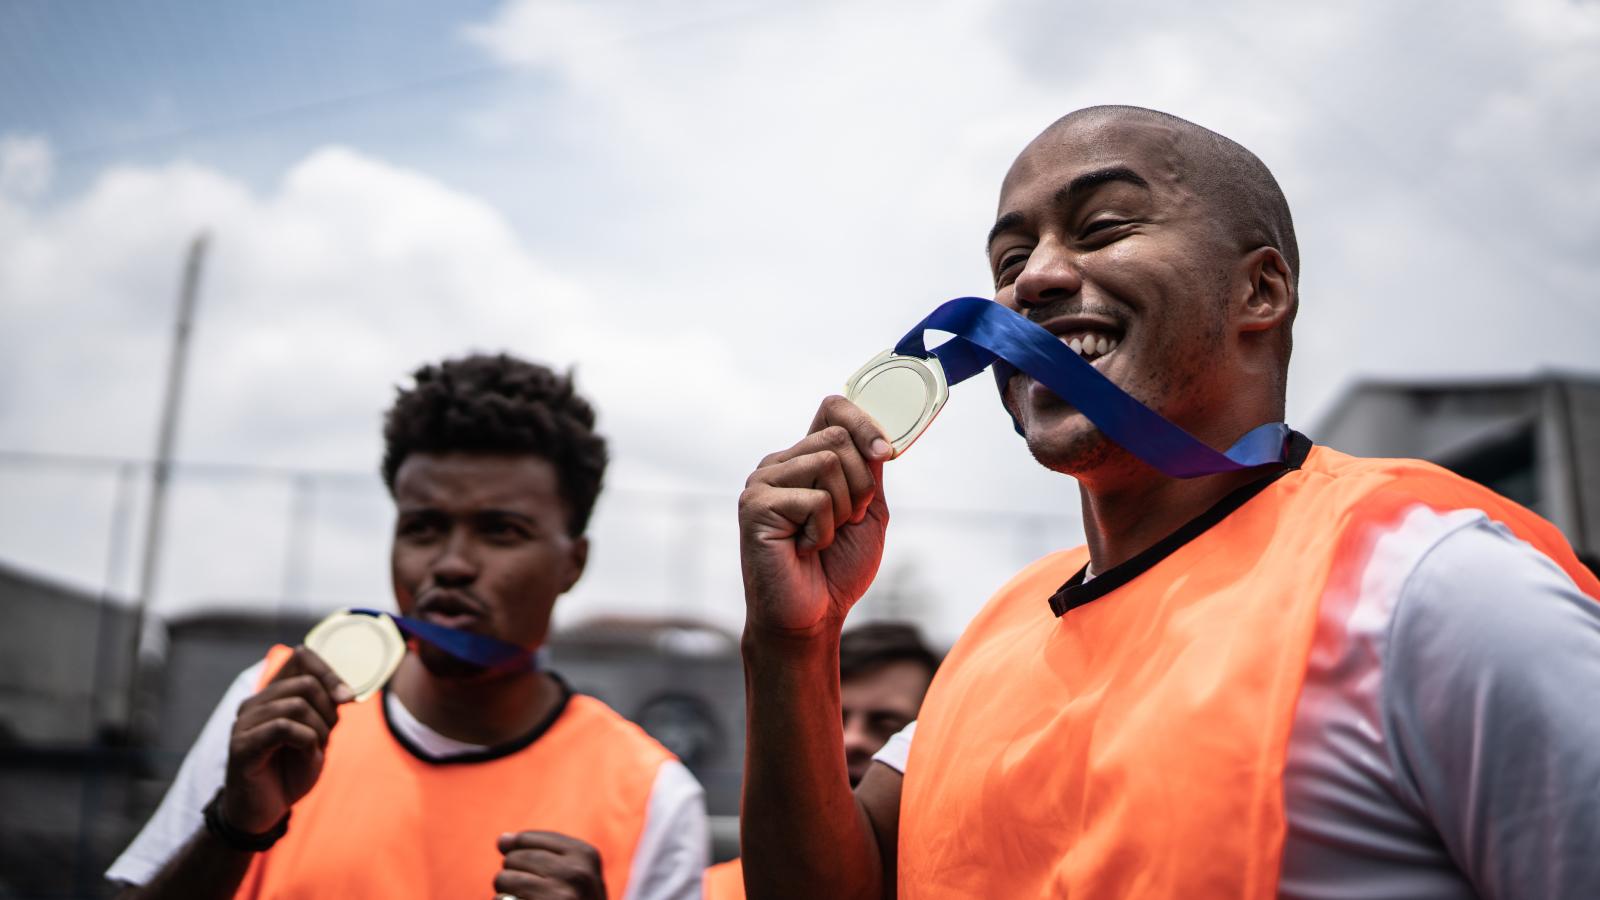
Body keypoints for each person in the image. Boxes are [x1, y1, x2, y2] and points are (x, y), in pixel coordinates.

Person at [736, 105, 1600, 899]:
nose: (1031, 281)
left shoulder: (1431, 587)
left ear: (1258, 292)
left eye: (1103, 227)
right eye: (1008, 262)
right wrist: (793, 644)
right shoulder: (993, 642)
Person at [108, 353, 709, 900]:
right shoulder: (276, 707)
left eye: (500, 530)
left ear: (573, 563)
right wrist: (234, 826)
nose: (450, 564)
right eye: (423, 527)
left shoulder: (651, 795)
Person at [702, 622, 938, 900]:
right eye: (831, 719)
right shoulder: (715, 891)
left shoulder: (951, 887)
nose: (852, 740)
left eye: (887, 724)